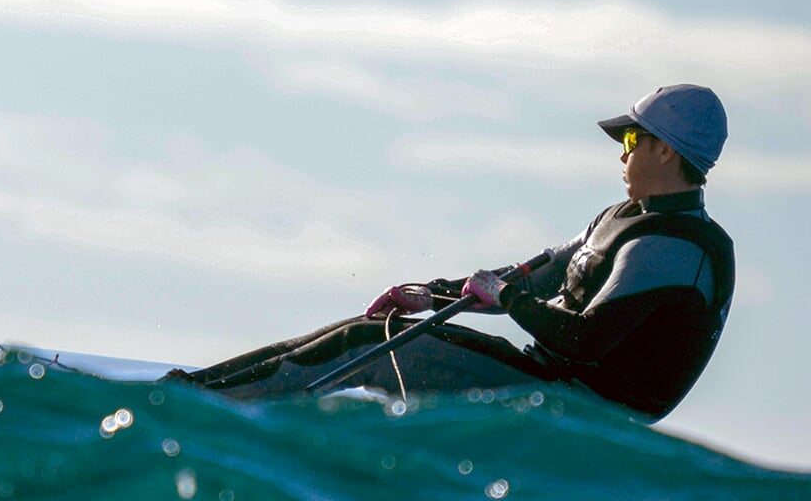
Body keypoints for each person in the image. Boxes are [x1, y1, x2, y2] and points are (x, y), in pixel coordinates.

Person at [174, 84, 733, 421]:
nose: (622, 155)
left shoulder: (679, 247)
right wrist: (430, 293)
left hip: (581, 410)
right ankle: (196, 388)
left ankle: (201, 407)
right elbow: (525, 279)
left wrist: (506, 296)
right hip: (546, 386)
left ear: (664, 151)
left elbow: (583, 341)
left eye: (632, 142)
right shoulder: (621, 221)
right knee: (373, 327)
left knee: (371, 343)